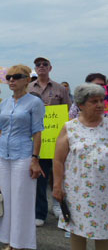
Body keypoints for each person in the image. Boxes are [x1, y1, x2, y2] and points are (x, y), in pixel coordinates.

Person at [0, 64, 45, 250]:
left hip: (23, 154)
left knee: (22, 199)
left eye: (16, 76)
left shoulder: (34, 102)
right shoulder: (4, 103)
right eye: (9, 77)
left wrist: (35, 159)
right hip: (3, 154)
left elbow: (37, 132)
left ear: (27, 80)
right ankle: (7, 238)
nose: (11, 80)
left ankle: (20, 242)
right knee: (6, 198)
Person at [53, 83, 108, 250]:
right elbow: (59, 160)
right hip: (78, 188)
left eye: (102, 100)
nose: (100, 105)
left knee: (104, 232)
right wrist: (57, 185)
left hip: (105, 190)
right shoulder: (70, 127)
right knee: (77, 229)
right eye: (94, 101)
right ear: (82, 104)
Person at [28, 57, 72, 226]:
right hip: (37, 139)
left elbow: (67, 113)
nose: (41, 67)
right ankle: (40, 212)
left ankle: (62, 209)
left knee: (58, 176)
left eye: (44, 64)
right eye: (38, 65)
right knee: (39, 177)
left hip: (55, 139)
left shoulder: (60, 89)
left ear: (50, 68)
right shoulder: (29, 87)